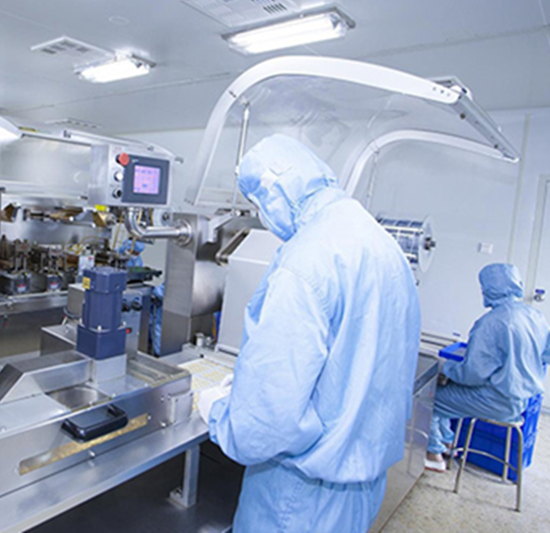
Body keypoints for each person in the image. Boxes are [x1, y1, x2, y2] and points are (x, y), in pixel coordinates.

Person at [198, 134, 421, 532]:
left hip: (299, 497)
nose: (262, 215)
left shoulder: (305, 261)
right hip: (363, 483)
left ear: (276, 190)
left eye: (258, 203)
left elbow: (265, 423)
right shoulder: (383, 245)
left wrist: (219, 411)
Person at [426, 263, 549, 471]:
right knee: (446, 395)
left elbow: (473, 374)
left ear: (489, 289)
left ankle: (434, 454)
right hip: (520, 400)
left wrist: (445, 368)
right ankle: (447, 444)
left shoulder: (490, 323)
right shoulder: (535, 316)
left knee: (430, 397)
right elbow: (545, 355)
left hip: (495, 400)